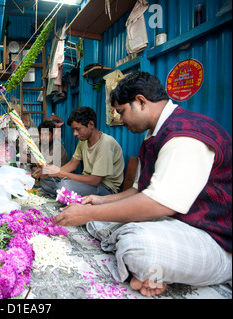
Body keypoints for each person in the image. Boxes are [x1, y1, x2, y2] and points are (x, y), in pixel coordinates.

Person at [53, 71, 232, 297]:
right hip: (174, 224)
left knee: (136, 244)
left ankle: (200, 269)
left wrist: (88, 214)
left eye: (121, 112)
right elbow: (139, 190)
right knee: (100, 221)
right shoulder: (154, 134)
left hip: (213, 238)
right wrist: (100, 201)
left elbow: (157, 204)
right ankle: (155, 271)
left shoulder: (185, 134)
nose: (119, 120)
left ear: (140, 102)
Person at [33, 107, 124, 198]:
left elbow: (95, 181)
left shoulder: (105, 143)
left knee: (64, 186)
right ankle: (62, 194)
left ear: (91, 124)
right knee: (47, 179)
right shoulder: (83, 141)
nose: (75, 133)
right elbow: (72, 164)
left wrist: (60, 173)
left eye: (78, 129)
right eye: (74, 130)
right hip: (88, 183)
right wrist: (48, 172)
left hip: (106, 188)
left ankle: (61, 193)